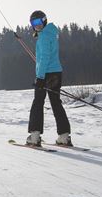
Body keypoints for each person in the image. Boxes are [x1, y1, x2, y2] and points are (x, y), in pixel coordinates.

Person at [26, 10, 72, 147]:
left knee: (38, 103)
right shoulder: (51, 33)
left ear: (44, 21)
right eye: (33, 23)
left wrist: (40, 77)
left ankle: (34, 136)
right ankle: (64, 136)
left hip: (46, 74)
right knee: (56, 103)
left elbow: (44, 58)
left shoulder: (44, 37)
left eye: (39, 22)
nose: (37, 25)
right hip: (57, 73)